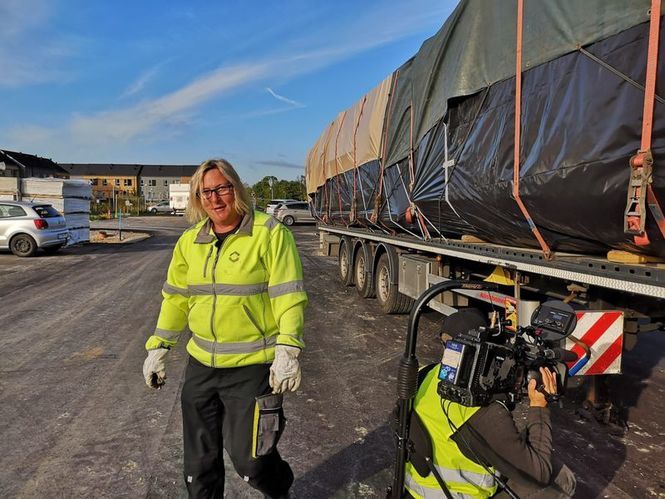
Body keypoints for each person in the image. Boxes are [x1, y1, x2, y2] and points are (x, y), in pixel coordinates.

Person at [142, 159, 307, 499]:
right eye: (206, 192)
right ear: (197, 199)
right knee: (198, 468)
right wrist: (159, 347)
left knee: (252, 462)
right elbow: (175, 299)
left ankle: (280, 489)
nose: (215, 199)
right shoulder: (190, 242)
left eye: (222, 189)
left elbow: (288, 296)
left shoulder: (270, 234)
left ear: (236, 189)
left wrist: (288, 349)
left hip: (252, 369)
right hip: (201, 367)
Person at [404, 309, 576, 499]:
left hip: (417, 491)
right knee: (561, 479)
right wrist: (539, 406)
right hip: (462, 495)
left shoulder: (423, 374)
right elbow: (539, 473)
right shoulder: (481, 410)